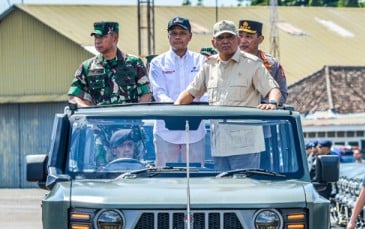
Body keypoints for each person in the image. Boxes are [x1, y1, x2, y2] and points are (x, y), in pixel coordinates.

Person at [175, 20, 282, 171]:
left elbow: (273, 89)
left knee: (243, 190)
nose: (225, 41)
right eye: (221, 38)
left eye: (230, 37)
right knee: (222, 192)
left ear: (237, 40)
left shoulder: (252, 64)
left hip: (246, 146)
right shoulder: (209, 66)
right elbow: (190, 93)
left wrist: (272, 103)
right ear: (214, 43)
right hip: (219, 145)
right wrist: (175, 108)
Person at [149, 17, 207, 166]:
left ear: (190, 36)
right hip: (166, 129)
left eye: (182, 33)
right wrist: (176, 110)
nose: (177, 37)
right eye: (173, 33)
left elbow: (205, 92)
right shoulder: (157, 63)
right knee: (165, 179)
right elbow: (159, 93)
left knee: (196, 178)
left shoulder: (201, 61)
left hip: (195, 129)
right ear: (168, 36)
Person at [68, 21, 152, 107]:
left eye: (103, 37)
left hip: (128, 119)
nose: (98, 41)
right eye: (96, 37)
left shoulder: (134, 63)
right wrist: (88, 112)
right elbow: (74, 96)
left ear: (115, 38)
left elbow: (147, 94)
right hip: (97, 119)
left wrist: (136, 114)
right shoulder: (87, 67)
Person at [237, 20, 288, 104]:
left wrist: (263, 105)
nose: (243, 41)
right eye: (240, 36)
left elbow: (282, 94)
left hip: (262, 113)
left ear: (260, 39)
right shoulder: (229, 61)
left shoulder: (271, 64)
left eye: (248, 37)